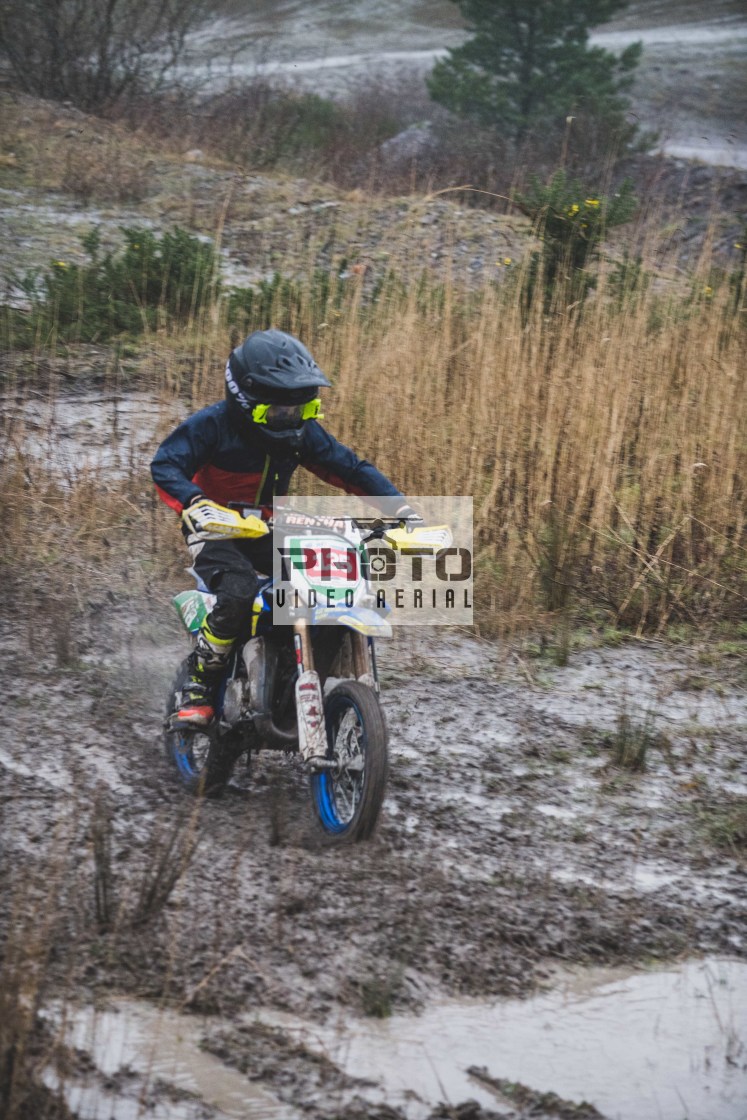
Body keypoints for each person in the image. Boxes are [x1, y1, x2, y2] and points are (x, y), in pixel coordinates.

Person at [151, 329, 412, 726]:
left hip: (268, 530)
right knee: (238, 590)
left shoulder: (302, 436)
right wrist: (194, 501)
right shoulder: (212, 426)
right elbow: (166, 464)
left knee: (325, 586)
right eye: (279, 412)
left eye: (301, 410)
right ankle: (199, 685)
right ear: (244, 401)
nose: (290, 420)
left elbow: (351, 469)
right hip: (215, 529)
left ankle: (285, 670)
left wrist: (402, 512)